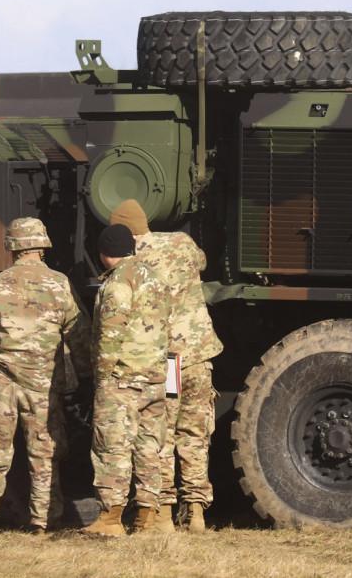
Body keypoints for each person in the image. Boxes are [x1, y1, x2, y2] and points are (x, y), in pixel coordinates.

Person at [0, 217, 89, 533]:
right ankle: (42, 519)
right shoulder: (59, 284)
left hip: (0, 382)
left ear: (13, 247)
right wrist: (85, 375)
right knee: (44, 452)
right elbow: (79, 332)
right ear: (42, 246)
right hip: (43, 385)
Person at [111, 199, 223, 533]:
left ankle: (162, 511)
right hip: (199, 356)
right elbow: (202, 260)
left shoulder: (132, 262)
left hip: (169, 360)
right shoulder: (182, 243)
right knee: (196, 433)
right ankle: (197, 511)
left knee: (163, 433)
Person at [82, 223, 173, 536]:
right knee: (149, 447)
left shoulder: (118, 282)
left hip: (122, 377)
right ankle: (147, 517)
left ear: (105, 253)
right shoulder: (155, 278)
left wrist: (102, 377)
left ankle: (110, 518)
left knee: (113, 446)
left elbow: (111, 332)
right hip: (155, 377)